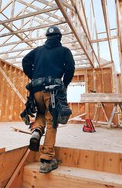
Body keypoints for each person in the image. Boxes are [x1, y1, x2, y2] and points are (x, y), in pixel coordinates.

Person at [22, 25, 75, 173]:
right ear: (59, 38)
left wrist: (33, 76)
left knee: (41, 113)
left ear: (47, 37)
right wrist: (64, 84)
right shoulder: (64, 51)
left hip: (36, 91)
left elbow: (25, 61)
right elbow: (70, 68)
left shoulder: (38, 50)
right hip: (52, 92)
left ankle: (37, 130)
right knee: (52, 121)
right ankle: (46, 160)